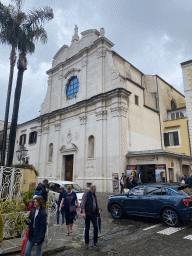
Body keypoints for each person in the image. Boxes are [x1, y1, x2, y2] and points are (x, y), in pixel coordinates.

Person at [81, 185, 100, 250]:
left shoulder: (94, 194)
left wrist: (98, 211)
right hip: (87, 214)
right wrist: (83, 213)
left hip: (94, 213)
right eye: (95, 189)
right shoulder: (86, 194)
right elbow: (82, 204)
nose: (96, 190)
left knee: (96, 227)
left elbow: (96, 203)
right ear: (92, 189)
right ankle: (86, 243)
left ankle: (95, 242)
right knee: (87, 228)